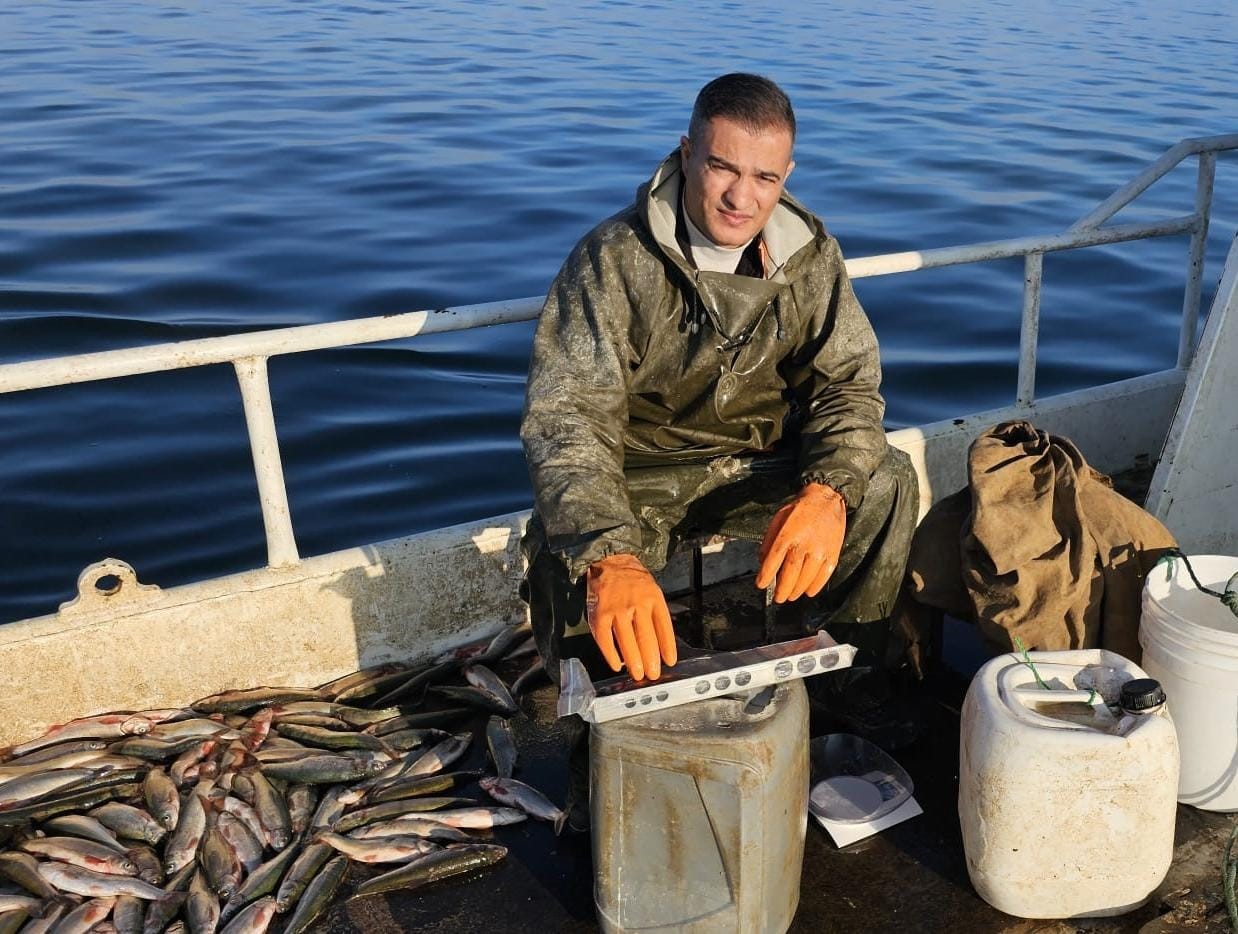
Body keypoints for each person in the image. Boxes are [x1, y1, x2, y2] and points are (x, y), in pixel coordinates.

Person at [519, 73, 920, 824]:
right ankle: (601, 724)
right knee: (560, 545)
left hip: (758, 459)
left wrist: (827, 492)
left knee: (888, 479)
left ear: (787, 176)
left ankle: (849, 687)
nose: (742, 197)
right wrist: (610, 552)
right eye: (723, 167)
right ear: (686, 153)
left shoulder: (809, 257)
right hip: (642, 471)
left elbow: (850, 388)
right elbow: (566, 420)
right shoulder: (611, 261)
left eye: (764, 176)